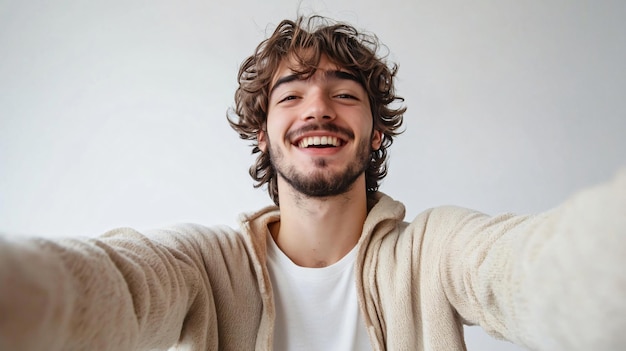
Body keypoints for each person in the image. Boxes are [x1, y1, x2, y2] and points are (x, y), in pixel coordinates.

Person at [0, 15, 625, 351]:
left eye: (344, 94)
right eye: (291, 94)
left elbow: (534, 270)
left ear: (376, 132)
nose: (317, 108)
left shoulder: (434, 253)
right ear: (264, 136)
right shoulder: (203, 265)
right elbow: (109, 287)